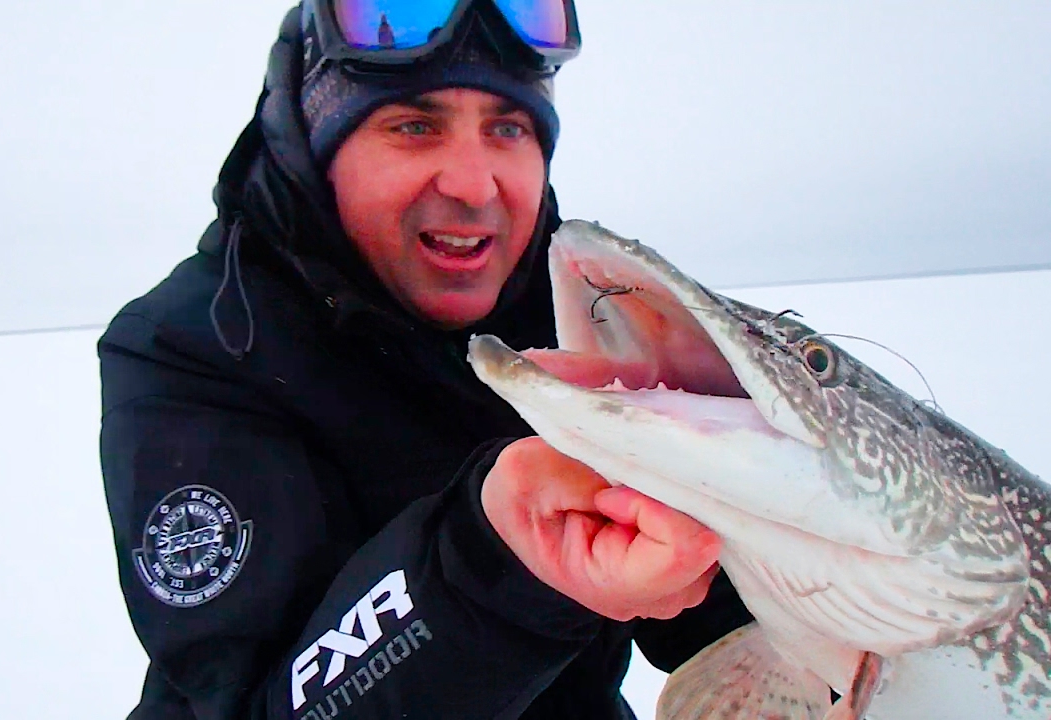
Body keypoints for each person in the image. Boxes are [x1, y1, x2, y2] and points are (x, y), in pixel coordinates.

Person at [97, 1, 752, 718]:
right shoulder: (194, 349)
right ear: (315, 143)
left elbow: (732, 617)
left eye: (508, 128)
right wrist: (497, 564)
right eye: (414, 126)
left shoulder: (589, 312)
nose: (473, 185)